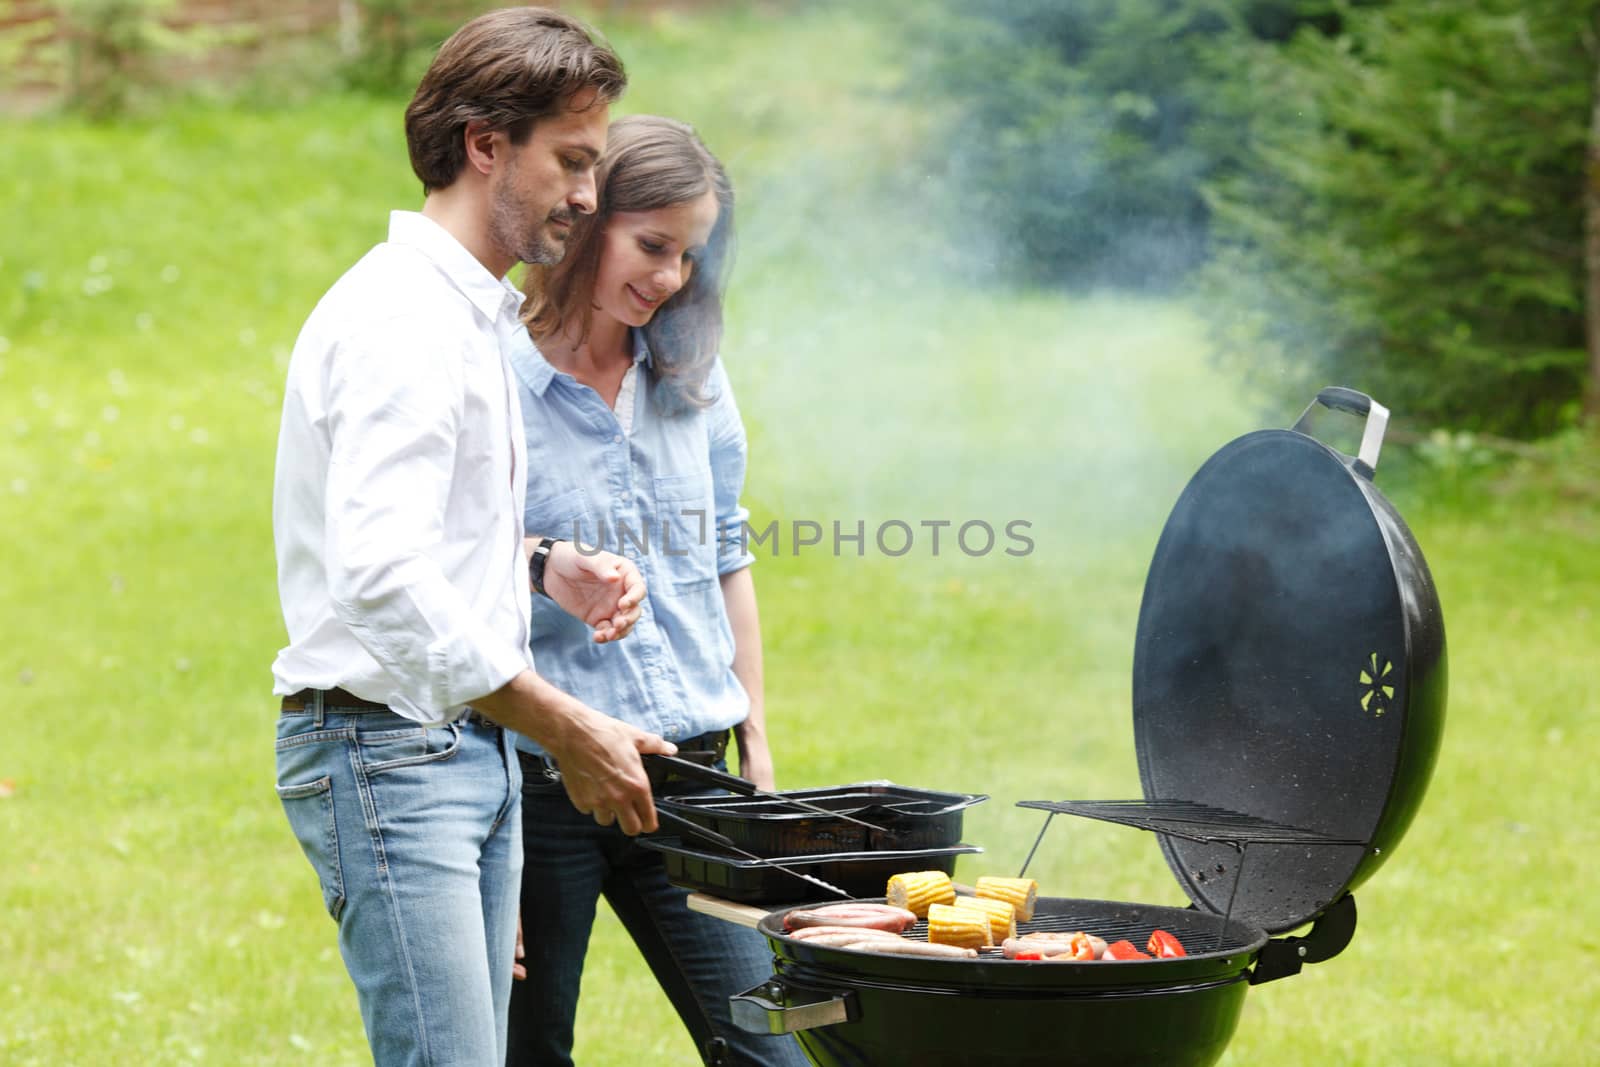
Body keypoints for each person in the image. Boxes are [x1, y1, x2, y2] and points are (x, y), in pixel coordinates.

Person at [269, 11, 678, 1065]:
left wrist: (539, 566)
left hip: (459, 747)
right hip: (389, 752)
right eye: (573, 161)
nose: (590, 196)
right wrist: (567, 724)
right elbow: (380, 575)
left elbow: (426, 535)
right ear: (484, 143)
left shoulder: (467, 315)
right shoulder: (403, 321)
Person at [504, 116, 809, 1067]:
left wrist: (753, 736)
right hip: (541, 778)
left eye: (690, 256)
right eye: (653, 245)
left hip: (692, 776)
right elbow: (441, 553)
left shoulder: (694, 380)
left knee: (772, 1048)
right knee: (527, 1051)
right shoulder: (488, 374)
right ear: (589, 218)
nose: (671, 277)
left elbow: (726, 555)